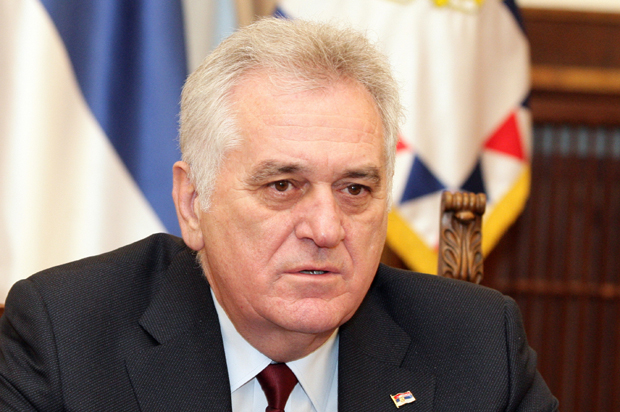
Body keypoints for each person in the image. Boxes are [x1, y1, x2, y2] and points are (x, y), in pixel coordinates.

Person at [0, 18, 557, 411]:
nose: (326, 229)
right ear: (193, 204)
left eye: (355, 189)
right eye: (283, 186)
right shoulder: (67, 340)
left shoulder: (477, 348)